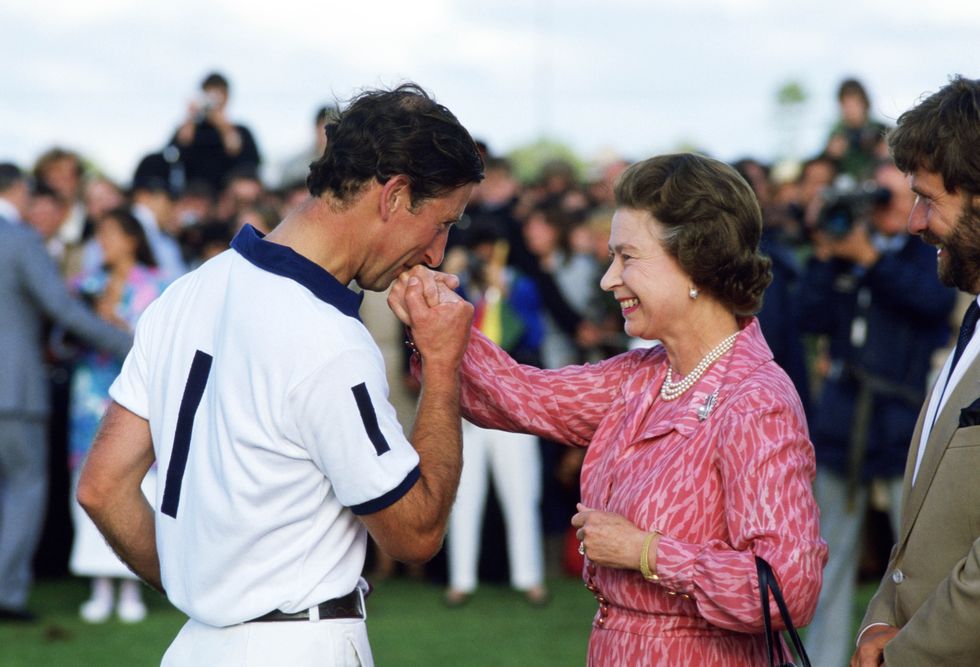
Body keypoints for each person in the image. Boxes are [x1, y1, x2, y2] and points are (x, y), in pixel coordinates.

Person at [76, 83, 483, 666]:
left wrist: (214, 599)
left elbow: (102, 486)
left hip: (196, 646)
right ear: (395, 196)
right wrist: (443, 364)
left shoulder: (185, 293)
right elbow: (415, 533)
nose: (437, 253)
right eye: (443, 223)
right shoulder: (329, 340)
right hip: (300, 644)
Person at [390, 153, 827, 665]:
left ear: (696, 260)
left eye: (627, 257)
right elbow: (521, 396)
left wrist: (646, 551)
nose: (608, 279)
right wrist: (433, 314)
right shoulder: (640, 376)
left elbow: (787, 588)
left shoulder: (756, 402)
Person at [799, 160, 955, 667]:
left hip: (901, 424)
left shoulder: (927, 252)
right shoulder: (842, 253)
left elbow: (931, 305)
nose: (886, 205)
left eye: (898, 194)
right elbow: (809, 315)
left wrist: (870, 259)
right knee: (829, 559)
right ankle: (822, 660)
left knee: (917, 558)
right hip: (842, 424)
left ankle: (916, 656)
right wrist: (826, 253)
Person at [851, 75, 980, 666]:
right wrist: (881, 618)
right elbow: (924, 523)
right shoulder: (972, 322)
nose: (914, 222)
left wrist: (905, 652)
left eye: (929, 199)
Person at [0, 163, 132, 622]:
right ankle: (7, 595)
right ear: (18, 191)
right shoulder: (21, 240)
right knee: (25, 486)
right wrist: (130, 344)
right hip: (14, 390)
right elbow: (62, 309)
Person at [67, 208, 170, 624]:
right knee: (90, 480)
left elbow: (162, 343)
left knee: (139, 480)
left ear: (132, 238)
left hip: (138, 399)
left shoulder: (158, 285)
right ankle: (100, 587)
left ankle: (133, 586)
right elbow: (59, 337)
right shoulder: (84, 284)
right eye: (100, 235)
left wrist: (111, 323)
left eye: (110, 234)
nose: (103, 243)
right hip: (88, 398)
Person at [443, 219, 548, 608]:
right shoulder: (458, 286)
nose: (484, 257)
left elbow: (534, 336)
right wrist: (450, 276)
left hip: (511, 404)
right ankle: (460, 580)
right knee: (463, 495)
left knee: (521, 493)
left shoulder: (520, 285)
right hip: (468, 403)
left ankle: (530, 578)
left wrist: (507, 296)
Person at [170, 72, 261, 197]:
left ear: (227, 97)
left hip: (228, 198)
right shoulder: (189, 129)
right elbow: (173, 155)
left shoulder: (242, 132)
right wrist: (190, 118)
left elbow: (249, 163)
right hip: (194, 197)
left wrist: (224, 127)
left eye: (218, 95)